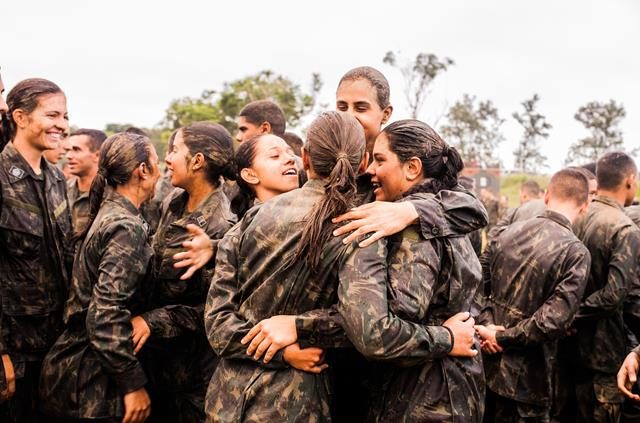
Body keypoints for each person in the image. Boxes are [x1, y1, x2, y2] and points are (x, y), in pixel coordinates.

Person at [204, 111, 368, 422]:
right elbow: (366, 321)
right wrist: (288, 348)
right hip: (289, 404)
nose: (288, 160)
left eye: (290, 153)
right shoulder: (359, 225)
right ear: (364, 162)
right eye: (275, 155)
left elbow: (219, 325)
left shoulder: (246, 226)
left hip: (227, 401)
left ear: (306, 158)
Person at [39, 132, 160, 423]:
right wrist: (132, 383)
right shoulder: (125, 226)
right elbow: (105, 314)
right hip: (91, 382)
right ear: (142, 170)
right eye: (156, 162)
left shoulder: (113, 213)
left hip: (77, 369)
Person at [130, 122, 237, 423]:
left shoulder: (221, 226)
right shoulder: (173, 204)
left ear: (198, 161)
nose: (168, 158)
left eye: (175, 150)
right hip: (158, 363)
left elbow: (215, 311)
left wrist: (154, 321)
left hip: (193, 378)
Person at [476, 168, 591, 422]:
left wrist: (488, 327)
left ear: (547, 195)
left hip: (484, 368)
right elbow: (552, 321)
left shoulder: (506, 233)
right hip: (528, 383)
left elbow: (477, 286)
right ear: (585, 206)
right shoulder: (576, 253)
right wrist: (501, 336)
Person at [0, 78, 72, 422]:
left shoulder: (57, 180)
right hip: (14, 351)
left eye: (66, 116)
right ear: (20, 117)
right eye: (52, 114)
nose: (62, 125)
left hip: (55, 347)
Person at [571, 152, 640, 422]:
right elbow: (614, 295)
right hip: (607, 352)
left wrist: (567, 315)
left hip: (571, 346)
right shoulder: (624, 228)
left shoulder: (579, 215)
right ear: (630, 180)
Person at [65, 128, 107, 234]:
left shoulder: (111, 193)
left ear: (97, 156)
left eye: (76, 150)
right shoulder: (61, 189)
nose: (69, 156)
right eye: (68, 150)